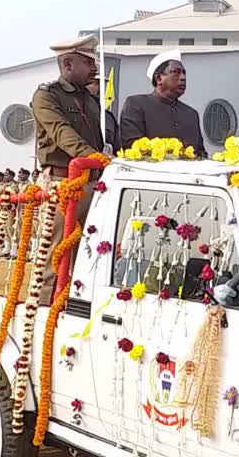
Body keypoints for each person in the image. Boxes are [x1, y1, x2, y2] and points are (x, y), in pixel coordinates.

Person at [31, 34, 105, 301]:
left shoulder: (91, 99)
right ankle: (43, 311)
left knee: (87, 250)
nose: (94, 68)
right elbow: (62, 134)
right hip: (61, 183)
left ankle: (73, 304)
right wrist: (96, 158)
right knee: (55, 252)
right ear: (68, 64)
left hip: (93, 183)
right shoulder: (46, 96)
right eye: (87, 62)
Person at [119, 49, 206, 156]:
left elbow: (201, 153)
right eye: (176, 72)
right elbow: (131, 147)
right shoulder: (136, 105)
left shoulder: (191, 114)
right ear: (158, 78)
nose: (183, 77)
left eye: (184, 73)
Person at [86, 73, 121, 153]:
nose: (99, 88)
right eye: (94, 83)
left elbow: (118, 145)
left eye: (101, 84)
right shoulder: (73, 113)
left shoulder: (108, 117)